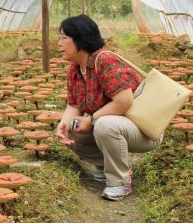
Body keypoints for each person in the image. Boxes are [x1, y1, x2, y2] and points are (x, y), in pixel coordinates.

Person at [55, 15, 163, 201]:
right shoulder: (74, 69)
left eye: (64, 37)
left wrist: (91, 120)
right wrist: (63, 124)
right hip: (113, 125)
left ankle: (120, 181)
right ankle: (107, 168)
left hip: (144, 130)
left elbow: (124, 102)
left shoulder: (105, 61)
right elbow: (73, 104)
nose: (59, 43)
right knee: (71, 128)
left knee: (105, 124)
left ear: (81, 38)